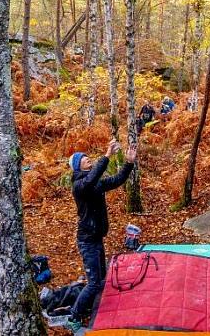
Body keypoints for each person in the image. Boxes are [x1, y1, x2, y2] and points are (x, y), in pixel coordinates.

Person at [66, 140, 138, 330]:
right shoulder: (79, 185)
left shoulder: (94, 183)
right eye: (83, 159)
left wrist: (129, 163)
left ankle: (98, 308)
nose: (88, 159)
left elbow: (116, 180)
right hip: (87, 241)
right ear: (76, 167)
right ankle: (74, 317)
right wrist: (106, 155)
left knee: (102, 279)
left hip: (96, 238)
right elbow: (90, 180)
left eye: (88, 157)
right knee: (94, 284)